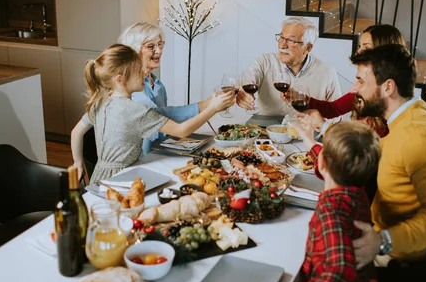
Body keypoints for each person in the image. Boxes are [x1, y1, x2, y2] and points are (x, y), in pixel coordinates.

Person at [299, 43, 426, 266]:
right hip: (373, 228)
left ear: (387, 88)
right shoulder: (399, 121)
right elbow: (358, 163)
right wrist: (311, 143)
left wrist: (382, 241)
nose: (354, 89)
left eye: (361, 81)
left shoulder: (421, 136)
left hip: (394, 259)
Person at [70, 44, 234, 183]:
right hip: (122, 181)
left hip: (98, 179)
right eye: (137, 71)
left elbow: (76, 132)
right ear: (120, 80)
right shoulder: (135, 110)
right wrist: (213, 108)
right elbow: (181, 130)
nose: (143, 73)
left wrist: (78, 163)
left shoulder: (101, 102)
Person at [268, 121, 380, 282]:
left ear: (321, 163)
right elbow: (334, 163)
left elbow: (339, 271)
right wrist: (309, 140)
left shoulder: (331, 210)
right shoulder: (358, 190)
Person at [118, 22, 214, 156]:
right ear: (134, 51)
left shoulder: (158, 84)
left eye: (160, 44)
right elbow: (161, 115)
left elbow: (164, 129)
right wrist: (207, 105)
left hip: (159, 153)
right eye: (151, 46)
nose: (159, 50)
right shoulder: (130, 87)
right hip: (139, 160)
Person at [297, 24, 406, 138]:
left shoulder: (389, 98)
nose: (358, 53)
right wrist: (299, 98)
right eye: (359, 46)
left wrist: (324, 126)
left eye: (366, 48)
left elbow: (360, 148)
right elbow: (334, 109)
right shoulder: (364, 85)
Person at [236, 17, 342, 116]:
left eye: (291, 40)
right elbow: (247, 79)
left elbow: (337, 114)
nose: (282, 45)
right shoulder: (265, 61)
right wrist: (242, 92)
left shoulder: (326, 71)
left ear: (308, 47)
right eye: (281, 37)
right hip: (266, 130)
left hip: (308, 130)